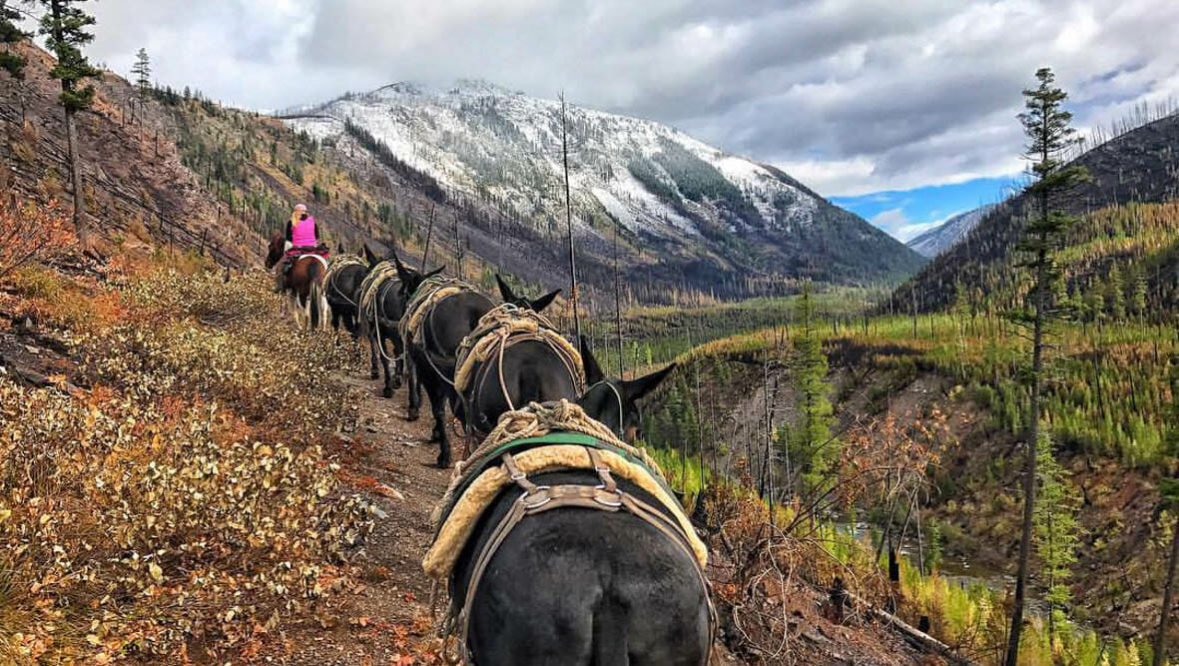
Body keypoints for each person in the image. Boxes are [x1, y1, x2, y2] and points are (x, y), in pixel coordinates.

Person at [274, 204, 324, 291]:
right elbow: (317, 236)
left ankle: (280, 284)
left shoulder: (292, 221)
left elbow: (289, 238)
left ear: (295, 212)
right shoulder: (312, 221)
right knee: (323, 260)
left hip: (298, 247)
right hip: (311, 247)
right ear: (306, 212)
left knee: (282, 263)